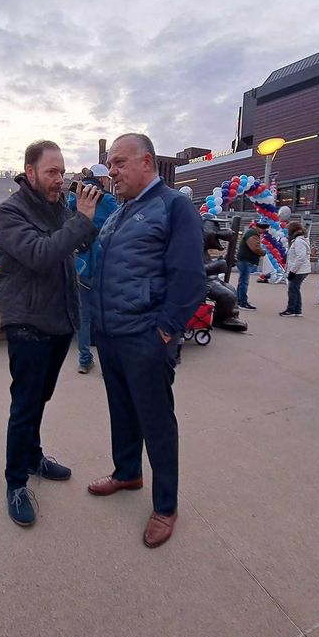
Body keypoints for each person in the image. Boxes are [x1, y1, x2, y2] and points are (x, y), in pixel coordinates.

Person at [87, 133, 205, 549]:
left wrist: (165, 330)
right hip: (111, 333)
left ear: (147, 162)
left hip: (145, 336)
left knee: (156, 422)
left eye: (119, 162)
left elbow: (191, 277)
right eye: (110, 164)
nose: (112, 171)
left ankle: (166, 505)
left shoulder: (175, 206)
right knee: (121, 410)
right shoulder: (122, 210)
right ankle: (127, 472)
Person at [0, 140, 102, 528]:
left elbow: (76, 245)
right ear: (31, 171)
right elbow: (40, 254)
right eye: (52, 172)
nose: (60, 179)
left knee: (40, 399)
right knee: (24, 406)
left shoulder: (58, 207)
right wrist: (79, 221)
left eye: (63, 171)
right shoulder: (10, 212)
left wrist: (88, 221)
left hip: (58, 321)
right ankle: (15, 482)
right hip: (27, 324)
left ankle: (33, 456)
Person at [67, 163, 118, 374]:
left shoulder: (73, 197)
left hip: (79, 261)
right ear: (103, 179)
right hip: (103, 263)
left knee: (84, 315)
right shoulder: (107, 200)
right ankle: (109, 364)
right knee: (108, 314)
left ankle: (84, 359)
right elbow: (119, 224)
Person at [236, 219, 268, 310]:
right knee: (244, 282)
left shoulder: (252, 232)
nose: (264, 231)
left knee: (242, 281)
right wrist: (263, 252)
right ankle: (243, 302)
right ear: (260, 228)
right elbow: (255, 248)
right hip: (246, 260)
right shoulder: (252, 234)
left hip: (244, 260)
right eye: (264, 229)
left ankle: (239, 300)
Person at [280, 222, 311, 316]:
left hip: (299, 270)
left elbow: (300, 257)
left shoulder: (298, 241)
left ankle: (291, 309)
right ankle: (297, 310)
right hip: (302, 269)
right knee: (296, 289)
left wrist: (292, 271)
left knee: (293, 289)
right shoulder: (301, 240)